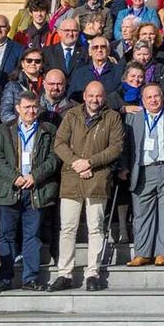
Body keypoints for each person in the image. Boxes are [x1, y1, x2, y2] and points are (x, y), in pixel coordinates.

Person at [50, 80, 124, 292]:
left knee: (96, 228)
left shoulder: (113, 117)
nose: (95, 99)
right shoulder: (71, 115)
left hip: (98, 177)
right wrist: (77, 163)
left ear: (104, 97)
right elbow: (60, 143)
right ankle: (64, 273)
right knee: (68, 228)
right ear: (84, 96)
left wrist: (90, 162)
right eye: (91, 95)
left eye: (99, 96)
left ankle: (93, 272)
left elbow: (116, 147)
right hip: (72, 177)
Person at [0, 91, 58, 293]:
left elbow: (54, 158)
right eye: (26, 107)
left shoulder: (48, 129)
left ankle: (30, 278)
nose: (31, 111)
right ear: (18, 108)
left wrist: (35, 176)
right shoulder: (4, 130)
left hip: (35, 190)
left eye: (35, 106)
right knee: (7, 236)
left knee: (32, 236)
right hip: (10, 189)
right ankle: (4, 277)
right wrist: (14, 177)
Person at [123, 82, 164, 267]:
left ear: (163, 97)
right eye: (149, 97)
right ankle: (142, 252)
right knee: (141, 214)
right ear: (142, 100)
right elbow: (126, 147)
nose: (153, 100)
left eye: (156, 96)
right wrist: (123, 167)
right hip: (142, 170)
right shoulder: (133, 118)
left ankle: (162, 252)